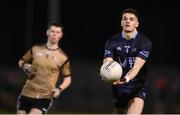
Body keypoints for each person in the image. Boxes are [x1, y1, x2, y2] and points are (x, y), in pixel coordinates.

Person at [102, 8, 152, 114]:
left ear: (137, 23)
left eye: (131, 19)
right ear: (121, 22)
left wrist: (127, 78)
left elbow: (136, 67)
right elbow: (107, 62)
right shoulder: (112, 41)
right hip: (118, 86)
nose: (127, 21)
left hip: (137, 86)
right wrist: (105, 73)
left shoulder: (144, 42)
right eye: (125, 19)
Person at [17, 22, 72, 114]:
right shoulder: (35, 49)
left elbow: (68, 78)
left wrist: (59, 88)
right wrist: (24, 65)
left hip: (45, 96)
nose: (54, 34)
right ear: (47, 32)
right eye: (52, 31)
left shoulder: (63, 57)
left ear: (61, 35)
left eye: (57, 32)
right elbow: (21, 61)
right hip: (27, 92)